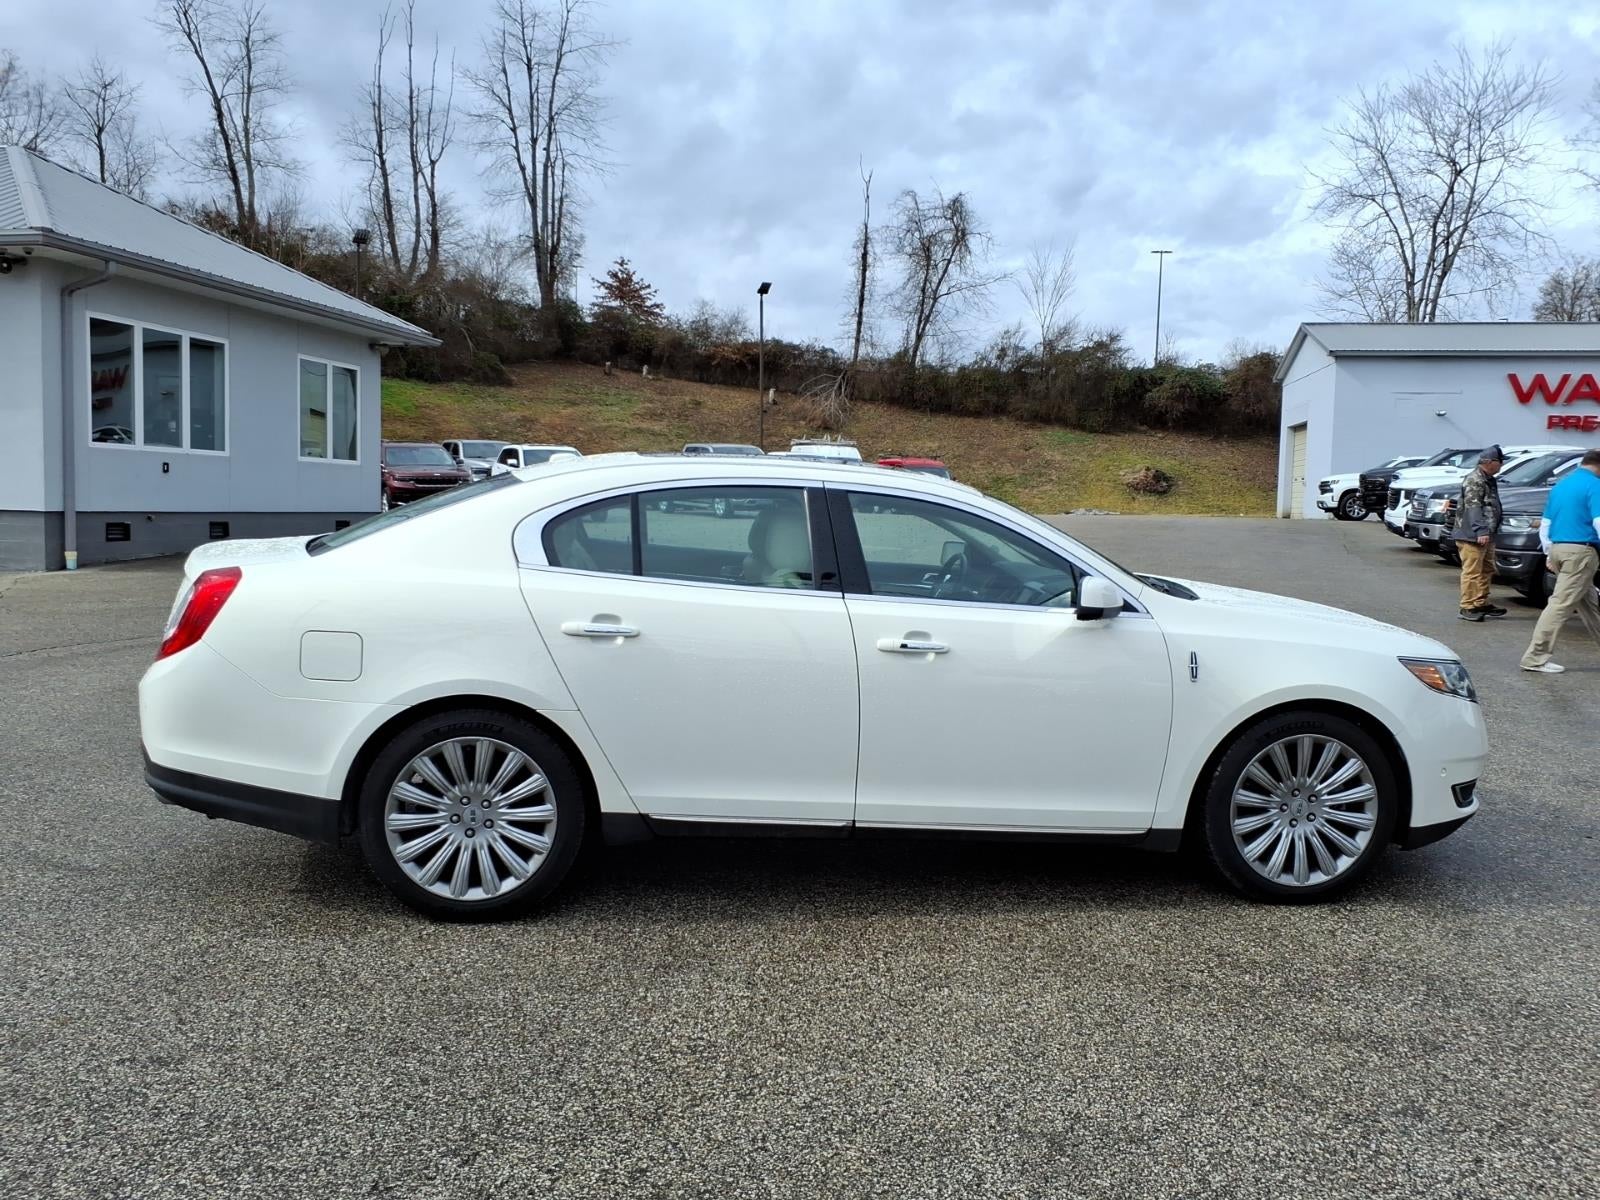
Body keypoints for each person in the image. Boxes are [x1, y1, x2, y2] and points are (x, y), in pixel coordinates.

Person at [1520, 448, 1600, 674]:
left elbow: (1545, 523)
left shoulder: (1562, 486)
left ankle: (1536, 656)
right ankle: (1535, 658)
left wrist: (1548, 552)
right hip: (1581, 552)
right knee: (1560, 605)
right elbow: (1599, 521)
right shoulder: (1594, 486)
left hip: (1558, 548)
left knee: (1590, 606)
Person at [1454, 445, 1505, 622]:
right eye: (1500, 462)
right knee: (1472, 571)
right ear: (1490, 462)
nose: (1502, 465)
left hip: (1487, 534)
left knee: (1487, 569)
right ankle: (1467, 606)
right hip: (1473, 535)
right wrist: (1480, 530)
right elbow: (1473, 506)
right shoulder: (1474, 479)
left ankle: (1480, 602)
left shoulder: (1489, 479)